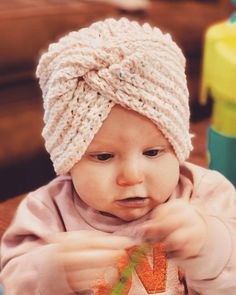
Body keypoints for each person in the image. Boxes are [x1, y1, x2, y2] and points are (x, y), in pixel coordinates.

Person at [0, 18, 236, 295]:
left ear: (177, 146)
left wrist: (210, 244)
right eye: (103, 156)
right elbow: (11, 283)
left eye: (152, 152)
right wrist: (51, 271)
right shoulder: (47, 212)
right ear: (68, 158)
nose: (132, 176)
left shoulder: (206, 195)